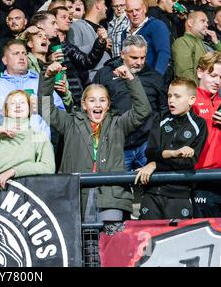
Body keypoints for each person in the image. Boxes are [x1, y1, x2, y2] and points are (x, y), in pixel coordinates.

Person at [38, 59, 152, 225]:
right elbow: (44, 109)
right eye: (92, 100)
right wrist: (48, 77)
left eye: (102, 100)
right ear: (84, 105)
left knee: (109, 243)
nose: (97, 104)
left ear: (108, 104)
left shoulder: (118, 124)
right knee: (81, 245)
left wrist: (130, 79)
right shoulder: (70, 123)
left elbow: (143, 110)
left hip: (111, 196)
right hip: (75, 195)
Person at [135, 78, 208, 220]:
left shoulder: (199, 125)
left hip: (179, 195)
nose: (171, 100)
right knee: (147, 239)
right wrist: (174, 153)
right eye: (169, 96)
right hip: (152, 192)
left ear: (191, 100)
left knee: (179, 240)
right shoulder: (160, 118)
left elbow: (188, 163)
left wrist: (156, 164)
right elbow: (150, 152)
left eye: (177, 96)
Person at [94, 35, 167, 171]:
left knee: (149, 189)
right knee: (117, 188)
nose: (139, 62)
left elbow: (164, 110)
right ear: (122, 54)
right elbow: (93, 105)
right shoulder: (105, 74)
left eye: (143, 57)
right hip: (117, 143)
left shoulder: (155, 77)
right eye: (134, 58)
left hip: (147, 144)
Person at [0, 90, 55, 189]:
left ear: (30, 108)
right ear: (6, 109)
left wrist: (14, 171)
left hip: (27, 192)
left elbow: (48, 167)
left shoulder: (40, 135)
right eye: (13, 103)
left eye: (22, 102)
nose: (18, 106)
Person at [192, 51, 221, 217]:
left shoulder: (220, 102)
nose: (217, 81)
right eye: (213, 75)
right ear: (200, 72)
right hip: (199, 177)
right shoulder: (190, 100)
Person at [124, 0, 171, 75]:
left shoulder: (156, 25)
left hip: (149, 80)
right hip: (130, 80)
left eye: (137, 10)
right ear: (126, 13)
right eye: (130, 11)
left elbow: (164, 54)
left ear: (144, 9)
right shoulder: (124, 32)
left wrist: (156, 78)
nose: (134, 13)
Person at [172, 11, 221, 84]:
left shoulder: (205, 43)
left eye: (207, 22)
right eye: (203, 21)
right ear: (190, 23)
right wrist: (199, 93)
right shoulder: (182, 42)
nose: (207, 24)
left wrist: (216, 43)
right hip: (196, 93)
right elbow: (185, 74)